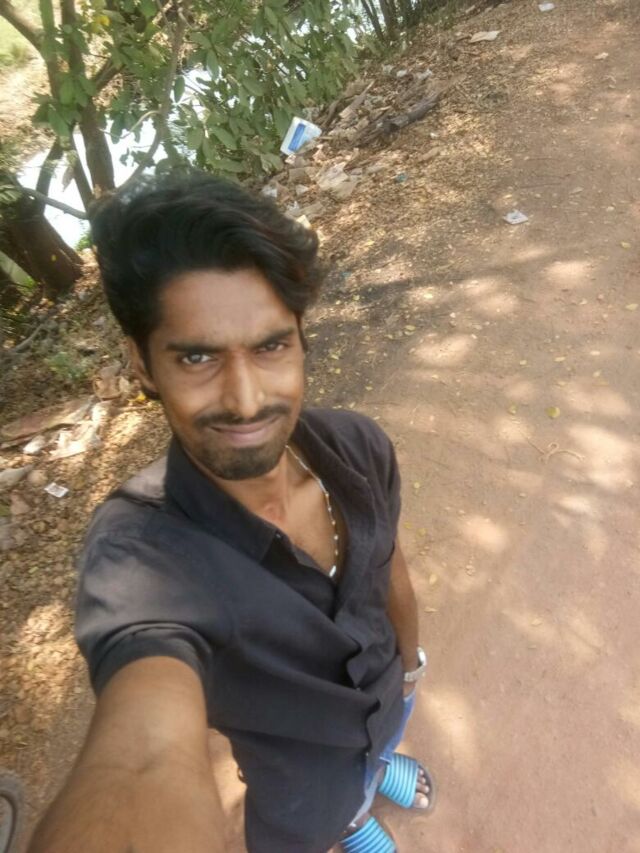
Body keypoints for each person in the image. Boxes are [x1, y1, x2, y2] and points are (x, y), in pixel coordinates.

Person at [28, 173, 434, 853]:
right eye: (197, 356)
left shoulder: (359, 447)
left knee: (382, 745)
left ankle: (376, 773)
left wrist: (412, 664)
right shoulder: (141, 559)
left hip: (392, 697)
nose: (245, 401)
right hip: (302, 790)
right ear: (142, 364)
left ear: (300, 339)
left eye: (270, 346)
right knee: (336, 810)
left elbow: (390, 565)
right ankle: (353, 821)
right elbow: (141, 760)